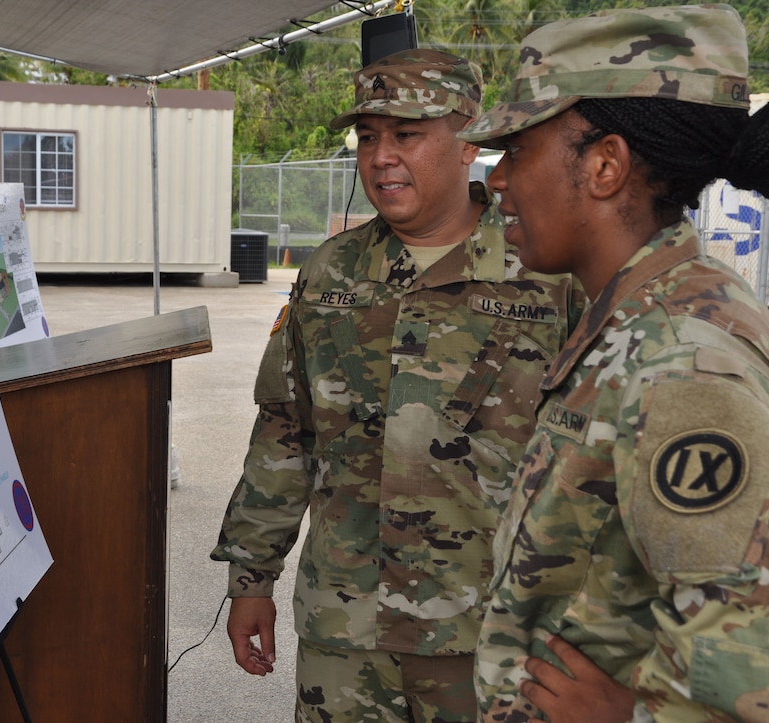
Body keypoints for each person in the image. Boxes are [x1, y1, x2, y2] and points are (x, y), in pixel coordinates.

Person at [211, 48, 581, 722]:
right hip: (346, 629)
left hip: (491, 633)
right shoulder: (330, 275)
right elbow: (284, 431)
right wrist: (251, 575)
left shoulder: (546, 277)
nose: (381, 157)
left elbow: (592, 463)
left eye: (407, 135)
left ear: (468, 136)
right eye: (369, 137)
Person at [457, 4, 769, 721]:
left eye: (519, 150)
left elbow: (747, 670)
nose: (497, 180)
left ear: (604, 166)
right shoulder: (632, 318)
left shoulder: (682, 360)